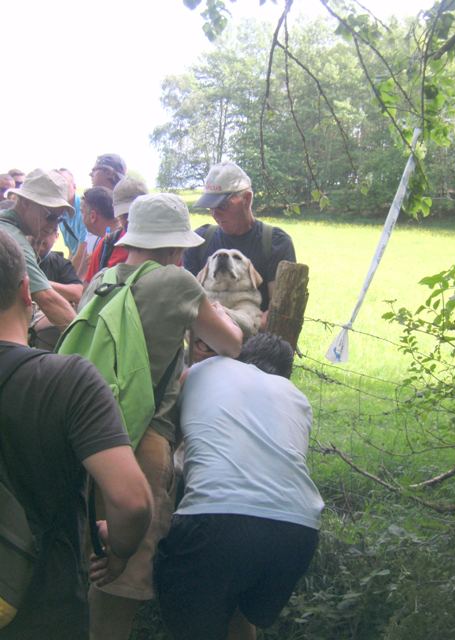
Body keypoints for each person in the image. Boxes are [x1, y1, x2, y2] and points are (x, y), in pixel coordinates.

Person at [83, 193, 243, 640]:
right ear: (176, 248)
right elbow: (230, 342)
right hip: (141, 443)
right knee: (119, 580)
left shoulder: (101, 280)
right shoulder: (177, 283)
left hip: (85, 433)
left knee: (88, 559)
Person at [0, 230, 153, 640]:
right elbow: (131, 500)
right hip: (42, 607)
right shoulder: (68, 380)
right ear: (26, 292)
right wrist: (117, 549)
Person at [154, 333, 323, 640]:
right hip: (297, 531)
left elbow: (165, 450)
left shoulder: (203, 370)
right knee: (239, 612)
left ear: (239, 356)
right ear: (286, 373)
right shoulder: (298, 398)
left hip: (215, 520)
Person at [184, 161, 296, 312]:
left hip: (259, 335)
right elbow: (188, 305)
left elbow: (279, 313)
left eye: (222, 206)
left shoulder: (276, 243)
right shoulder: (199, 241)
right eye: (210, 207)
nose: (215, 214)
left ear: (247, 199)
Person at [0, 169, 76, 329]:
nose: (54, 225)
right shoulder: (14, 240)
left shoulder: (8, 227)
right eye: (50, 216)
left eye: (59, 219)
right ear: (25, 202)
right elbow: (48, 300)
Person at [82, 176, 148, 285]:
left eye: (137, 213)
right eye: (125, 215)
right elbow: (88, 289)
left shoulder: (166, 246)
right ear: (117, 214)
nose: (130, 220)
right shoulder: (108, 244)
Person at [29, 228, 83, 350]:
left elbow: (77, 293)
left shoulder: (60, 263)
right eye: (35, 232)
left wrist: (38, 281)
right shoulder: (16, 257)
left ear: (56, 236)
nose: (39, 236)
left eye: (46, 232)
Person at [56, 168, 88, 276]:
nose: (61, 188)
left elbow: (83, 251)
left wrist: (68, 278)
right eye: (57, 184)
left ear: (74, 186)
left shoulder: (84, 210)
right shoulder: (60, 213)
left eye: (64, 184)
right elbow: (71, 250)